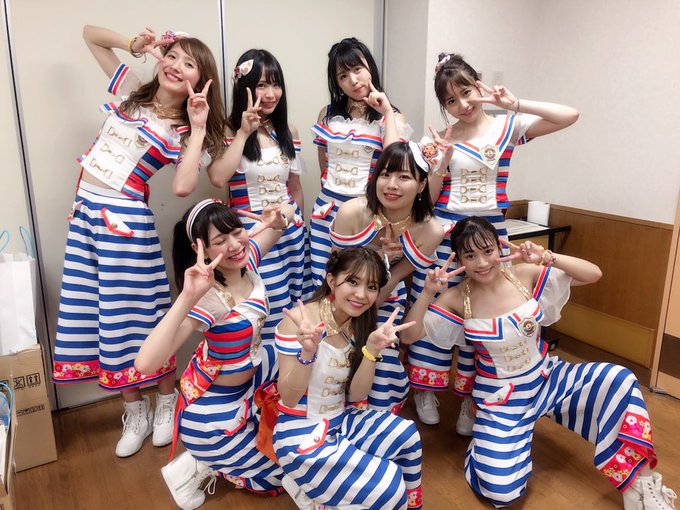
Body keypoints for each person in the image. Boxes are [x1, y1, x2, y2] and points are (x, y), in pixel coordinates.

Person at [401, 216, 677, 510]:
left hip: (549, 379)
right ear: (459, 259)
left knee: (619, 379)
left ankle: (640, 483)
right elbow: (409, 335)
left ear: (499, 248)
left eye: (487, 251)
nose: (481, 263)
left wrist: (547, 256)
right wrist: (428, 291)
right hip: (502, 400)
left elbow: (593, 274)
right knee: (500, 492)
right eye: (470, 256)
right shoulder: (456, 298)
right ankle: (484, 446)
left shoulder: (523, 274)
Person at [52, 25, 225, 457]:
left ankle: (165, 401)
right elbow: (90, 35)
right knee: (103, 316)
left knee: (141, 315)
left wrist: (198, 127)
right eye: (173, 56)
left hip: (125, 226)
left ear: (201, 81)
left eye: (189, 64)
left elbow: (183, 187)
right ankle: (135, 409)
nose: (176, 66)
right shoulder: (132, 92)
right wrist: (136, 45)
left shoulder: (186, 131)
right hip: (86, 217)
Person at [408, 52, 580, 431]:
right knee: (435, 303)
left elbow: (569, 115)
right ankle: (425, 388)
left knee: (484, 311)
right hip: (445, 237)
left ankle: (471, 398)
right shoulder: (437, 140)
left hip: (490, 238)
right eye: (451, 100)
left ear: (479, 86)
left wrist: (515, 103)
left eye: (466, 92)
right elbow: (429, 201)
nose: (462, 104)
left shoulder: (506, 126)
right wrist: (440, 163)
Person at [135, 199, 295, 509]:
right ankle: (195, 465)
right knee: (283, 473)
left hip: (253, 377)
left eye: (237, 232)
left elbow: (286, 215)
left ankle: (239, 439)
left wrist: (277, 218)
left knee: (302, 355)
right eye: (220, 241)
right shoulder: (210, 299)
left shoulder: (246, 259)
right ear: (202, 250)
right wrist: (188, 295)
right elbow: (145, 364)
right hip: (214, 411)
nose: (234, 245)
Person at [273, 247, 424, 509]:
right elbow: (288, 397)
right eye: (353, 282)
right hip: (300, 430)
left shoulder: (357, 323)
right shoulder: (300, 321)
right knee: (389, 488)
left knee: (407, 435)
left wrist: (371, 350)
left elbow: (356, 395)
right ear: (332, 280)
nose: (362, 294)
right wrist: (307, 353)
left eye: (371, 287)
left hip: (341, 419)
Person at [330, 140, 448, 412]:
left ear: (422, 184)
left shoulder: (430, 231)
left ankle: (376, 418)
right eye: (385, 174)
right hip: (340, 296)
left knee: (380, 360)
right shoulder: (352, 213)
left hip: (385, 297)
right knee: (336, 356)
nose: (391, 185)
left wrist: (385, 267)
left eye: (404, 177)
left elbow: (392, 280)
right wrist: (376, 256)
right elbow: (338, 275)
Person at [208, 49, 311, 341]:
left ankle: (293, 362)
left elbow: (294, 187)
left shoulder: (288, 130)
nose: (270, 94)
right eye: (261, 85)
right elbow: (218, 178)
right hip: (251, 234)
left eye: (275, 84)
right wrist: (243, 133)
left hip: (289, 231)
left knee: (296, 304)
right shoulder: (227, 129)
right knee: (265, 304)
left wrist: (297, 225)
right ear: (244, 87)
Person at [309, 37, 412, 289]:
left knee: (363, 282)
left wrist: (386, 113)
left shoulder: (393, 116)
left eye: (357, 69)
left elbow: (394, 163)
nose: (353, 80)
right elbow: (324, 164)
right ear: (336, 82)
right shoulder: (327, 114)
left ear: (370, 68)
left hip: (366, 213)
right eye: (343, 76)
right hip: (326, 211)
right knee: (325, 280)